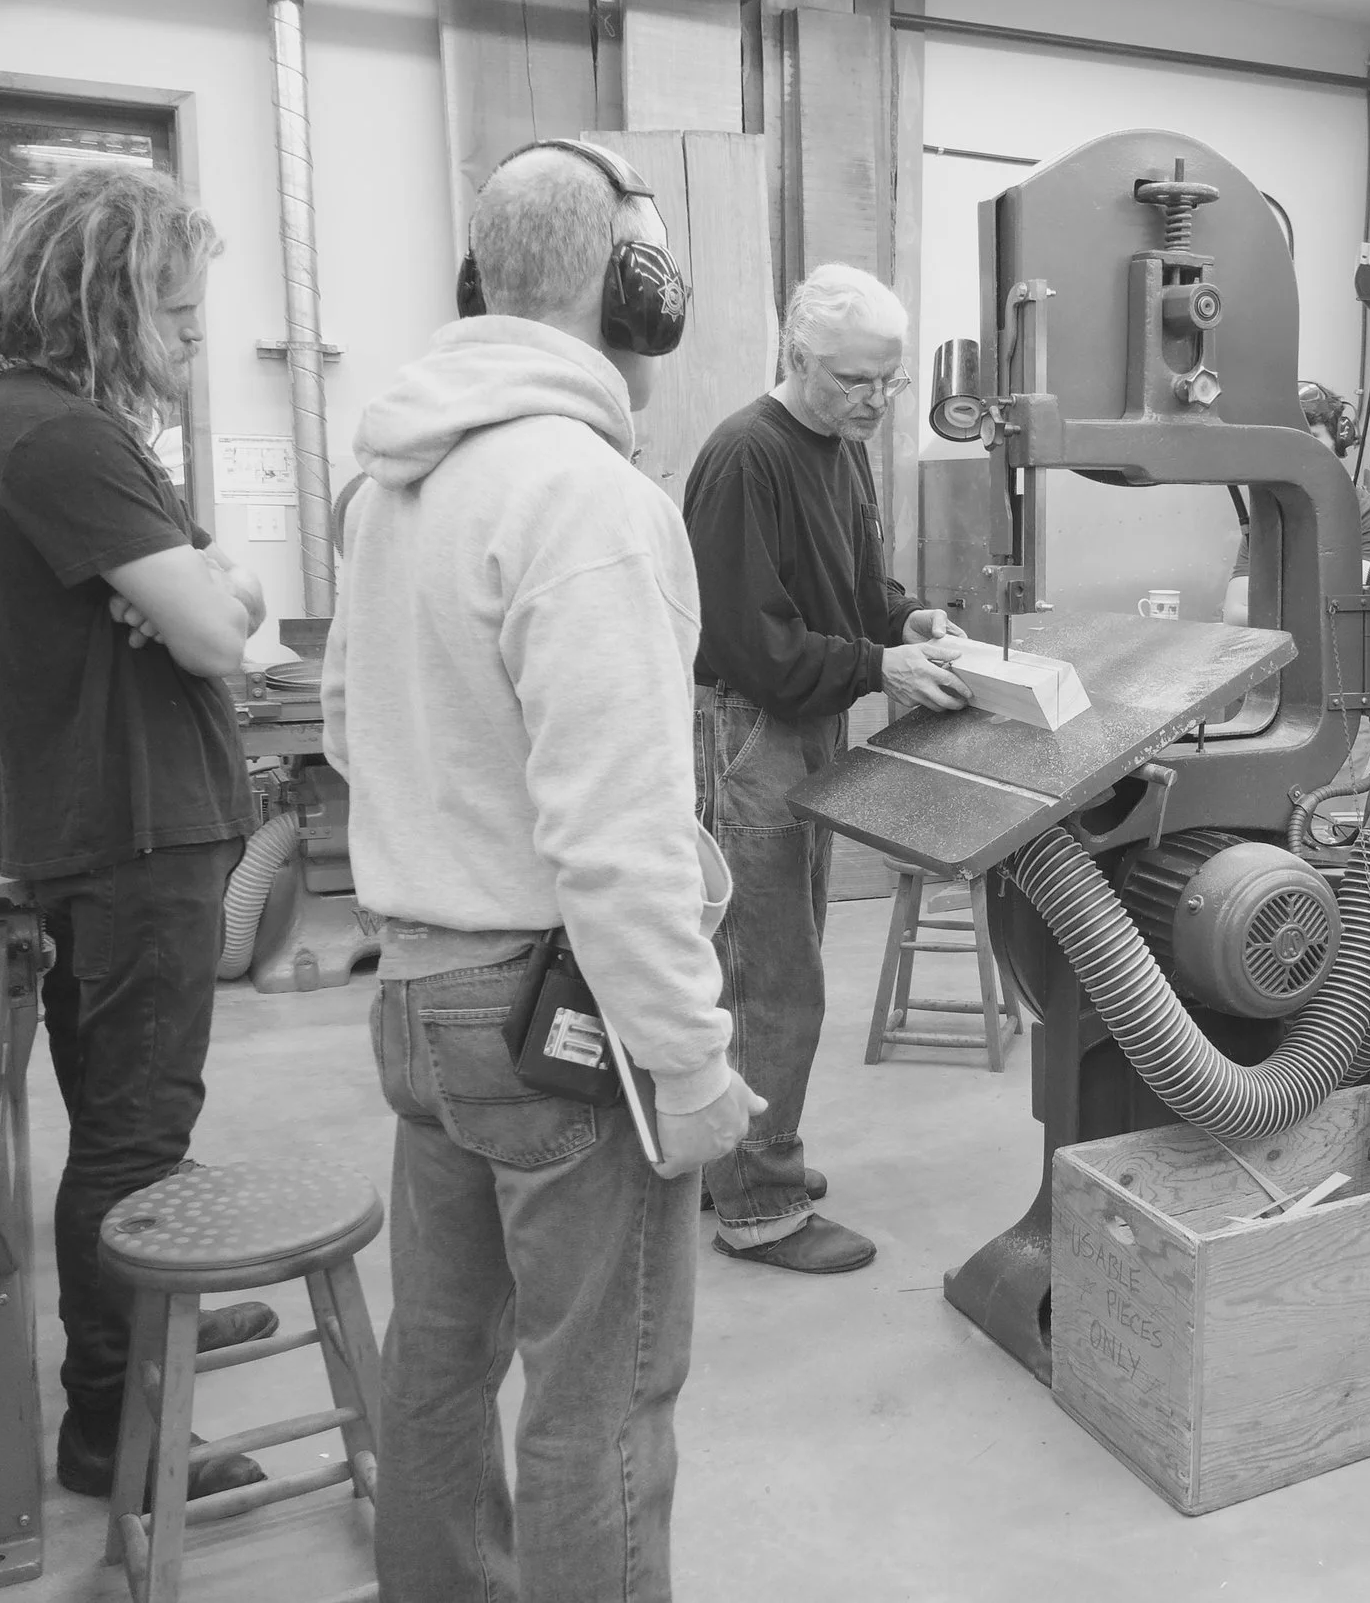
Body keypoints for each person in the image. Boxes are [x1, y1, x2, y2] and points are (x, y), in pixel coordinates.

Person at [322, 138, 751, 1602]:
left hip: (421, 993)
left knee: (438, 1363)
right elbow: (617, 829)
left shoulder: (386, 484)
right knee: (600, 1400)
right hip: (551, 1016)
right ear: (631, 294)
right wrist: (688, 1064)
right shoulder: (586, 497)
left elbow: (347, 726)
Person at [0, 165, 276, 1500]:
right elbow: (216, 628)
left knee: (131, 1118)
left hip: (132, 824)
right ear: (107, 302)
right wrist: (204, 597)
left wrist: (210, 587)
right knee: (136, 1132)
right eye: (180, 315)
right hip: (133, 830)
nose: (195, 344)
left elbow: (229, 590)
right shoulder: (61, 440)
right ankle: (115, 1421)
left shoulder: (61, 428)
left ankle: (161, 1313)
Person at [683, 262, 966, 1274]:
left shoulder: (840, 447)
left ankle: (737, 1160)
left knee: (778, 956)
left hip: (810, 721)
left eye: (889, 384)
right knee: (772, 977)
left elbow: (853, 587)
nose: (876, 404)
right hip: (752, 726)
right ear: (796, 357)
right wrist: (876, 664)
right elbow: (755, 641)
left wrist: (907, 621)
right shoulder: (744, 457)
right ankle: (755, 1203)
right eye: (856, 382)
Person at [1220, 379, 1370, 627]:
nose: (1300, 451)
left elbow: (1334, 610)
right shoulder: (1270, 518)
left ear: (1339, 440)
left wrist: (1269, 610)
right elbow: (1234, 615)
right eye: (1291, 440)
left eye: (1312, 437)